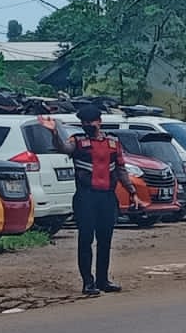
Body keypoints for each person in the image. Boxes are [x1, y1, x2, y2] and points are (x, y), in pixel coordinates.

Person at [53, 104, 145, 297]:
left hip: (107, 197)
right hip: (86, 197)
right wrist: (54, 132)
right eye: (84, 122)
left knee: (105, 240)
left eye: (91, 122)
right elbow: (63, 148)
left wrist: (132, 192)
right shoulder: (78, 141)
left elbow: (121, 169)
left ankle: (103, 280)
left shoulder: (113, 142)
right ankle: (88, 282)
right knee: (86, 239)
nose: (87, 125)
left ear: (99, 122)